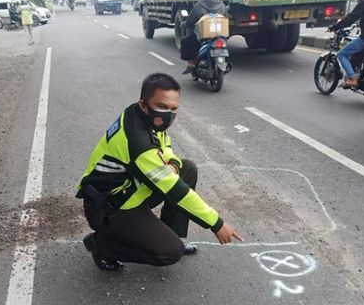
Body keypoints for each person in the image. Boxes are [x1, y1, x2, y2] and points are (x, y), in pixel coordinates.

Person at [77, 73, 243, 271]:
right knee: (170, 252)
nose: (168, 114)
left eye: (174, 109)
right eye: (162, 107)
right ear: (143, 103)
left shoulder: (142, 116)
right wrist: (216, 223)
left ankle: (175, 233)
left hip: (131, 190)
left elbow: (164, 144)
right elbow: (175, 190)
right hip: (111, 208)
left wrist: (172, 162)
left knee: (186, 168)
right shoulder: (139, 140)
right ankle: (102, 246)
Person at [180, 0, 227, 74]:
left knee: (185, 41)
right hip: (220, 35)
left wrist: (184, 24)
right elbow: (226, 17)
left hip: (203, 37)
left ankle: (191, 63)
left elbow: (190, 21)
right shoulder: (222, 5)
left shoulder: (199, 6)